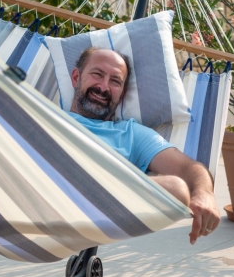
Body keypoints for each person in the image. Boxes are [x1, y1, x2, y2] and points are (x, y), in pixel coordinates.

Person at [68, 46, 221, 245]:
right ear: (76, 78)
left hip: (90, 209)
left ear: (122, 94)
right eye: (97, 74)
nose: (104, 87)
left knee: (176, 188)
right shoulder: (43, 115)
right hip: (38, 195)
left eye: (115, 81)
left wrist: (204, 194)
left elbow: (189, 168)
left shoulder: (131, 134)